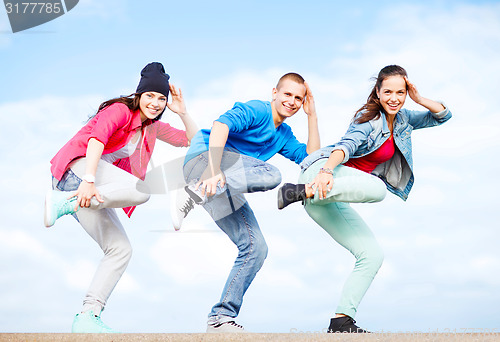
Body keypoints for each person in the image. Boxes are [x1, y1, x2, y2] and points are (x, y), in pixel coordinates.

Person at [277, 65, 452, 333]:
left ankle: (341, 321)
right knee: (379, 190)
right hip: (322, 174)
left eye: (400, 92)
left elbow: (442, 116)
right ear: (378, 93)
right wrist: (324, 173)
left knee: (372, 255)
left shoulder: (403, 119)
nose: (394, 98)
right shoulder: (369, 119)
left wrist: (418, 98)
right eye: (388, 92)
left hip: (327, 192)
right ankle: (300, 190)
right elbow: (345, 146)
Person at [44, 62, 197, 333]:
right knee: (142, 190)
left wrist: (183, 113)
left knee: (121, 249)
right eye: (150, 95)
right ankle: (65, 202)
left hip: (89, 191)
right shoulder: (121, 111)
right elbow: (96, 140)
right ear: (139, 94)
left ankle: (87, 317)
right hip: (76, 174)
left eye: (162, 98)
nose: (156, 103)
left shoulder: (152, 128)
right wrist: (89, 181)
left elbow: (193, 141)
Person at [179, 73, 320, 332]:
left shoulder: (284, 134)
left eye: (298, 98)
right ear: (274, 92)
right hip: (204, 163)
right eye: (287, 94)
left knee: (256, 248)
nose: (292, 101)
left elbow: (311, 158)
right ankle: (202, 188)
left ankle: (220, 319)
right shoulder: (258, 109)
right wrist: (212, 171)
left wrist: (312, 116)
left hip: (215, 185)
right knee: (272, 175)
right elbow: (220, 125)